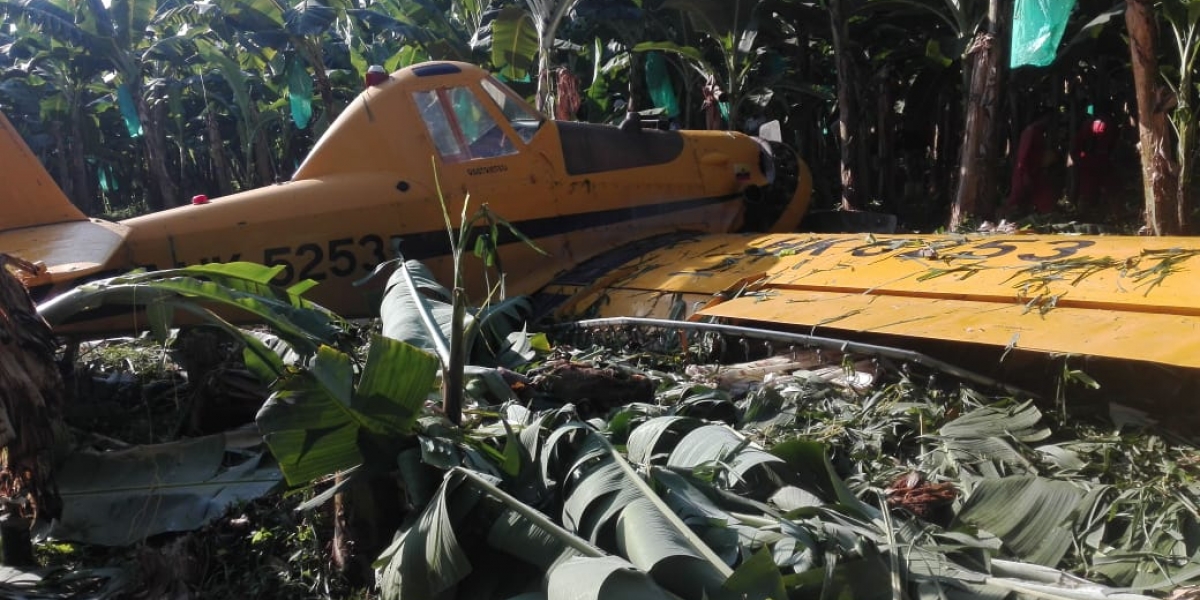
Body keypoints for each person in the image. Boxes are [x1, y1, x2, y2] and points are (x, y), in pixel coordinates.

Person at [1006, 116, 1060, 214]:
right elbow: (1023, 155)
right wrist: (1024, 172)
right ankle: (1006, 217)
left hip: (1034, 170)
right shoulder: (1031, 132)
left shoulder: (1039, 133)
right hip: (1025, 171)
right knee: (1017, 196)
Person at [1069, 115, 1117, 213]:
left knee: (1091, 189)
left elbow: (1075, 148)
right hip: (1096, 160)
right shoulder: (1104, 123)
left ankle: (1089, 211)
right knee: (1098, 189)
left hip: (1093, 161)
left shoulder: (1090, 125)